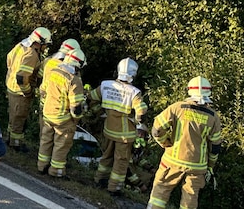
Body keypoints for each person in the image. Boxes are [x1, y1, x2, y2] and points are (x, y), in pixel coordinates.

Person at [146, 76, 222, 209]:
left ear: (189, 90)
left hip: (172, 161)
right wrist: (210, 166)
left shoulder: (177, 107)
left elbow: (157, 129)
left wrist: (165, 143)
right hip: (197, 167)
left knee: (160, 192)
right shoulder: (213, 117)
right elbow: (215, 147)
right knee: (190, 200)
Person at [88, 57, 148, 195]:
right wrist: (138, 121)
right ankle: (114, 188)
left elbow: (91, 98)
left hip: (108, 129)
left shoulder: (105, 85)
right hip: (125, 134)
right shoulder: (134, 92)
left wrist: (100, 113)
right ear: (133, 74)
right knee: (121, 161)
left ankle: (99, 180)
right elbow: (141, 110)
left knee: (106, 156)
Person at [37, 49, 86, 178]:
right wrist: (76, 119)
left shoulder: (53, 72)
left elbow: (43, 90)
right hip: (63, 119)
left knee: (46, 140)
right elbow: (76, 107)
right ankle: (56, 171)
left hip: (47, 114)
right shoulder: (74, 80)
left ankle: (41, 166)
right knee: (61, 144)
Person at [5, 27, 52, 152]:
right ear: (39, 42)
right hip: (20, 91)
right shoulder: (31, 54)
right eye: (45, 44)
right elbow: (21, 77)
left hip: (11, 86)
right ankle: (16, 145)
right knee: (19, 117)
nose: (46, 47)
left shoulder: (21, 45)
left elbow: (9, 59)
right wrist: (28, 91)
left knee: (13, 115)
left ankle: (9, 139)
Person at [38, 39, 81, 128]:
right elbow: (74, 90)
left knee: (45, 133)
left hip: (45, 103)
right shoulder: (71, 71)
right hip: (61, 110)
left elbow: (39, 76)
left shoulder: (48, 61)